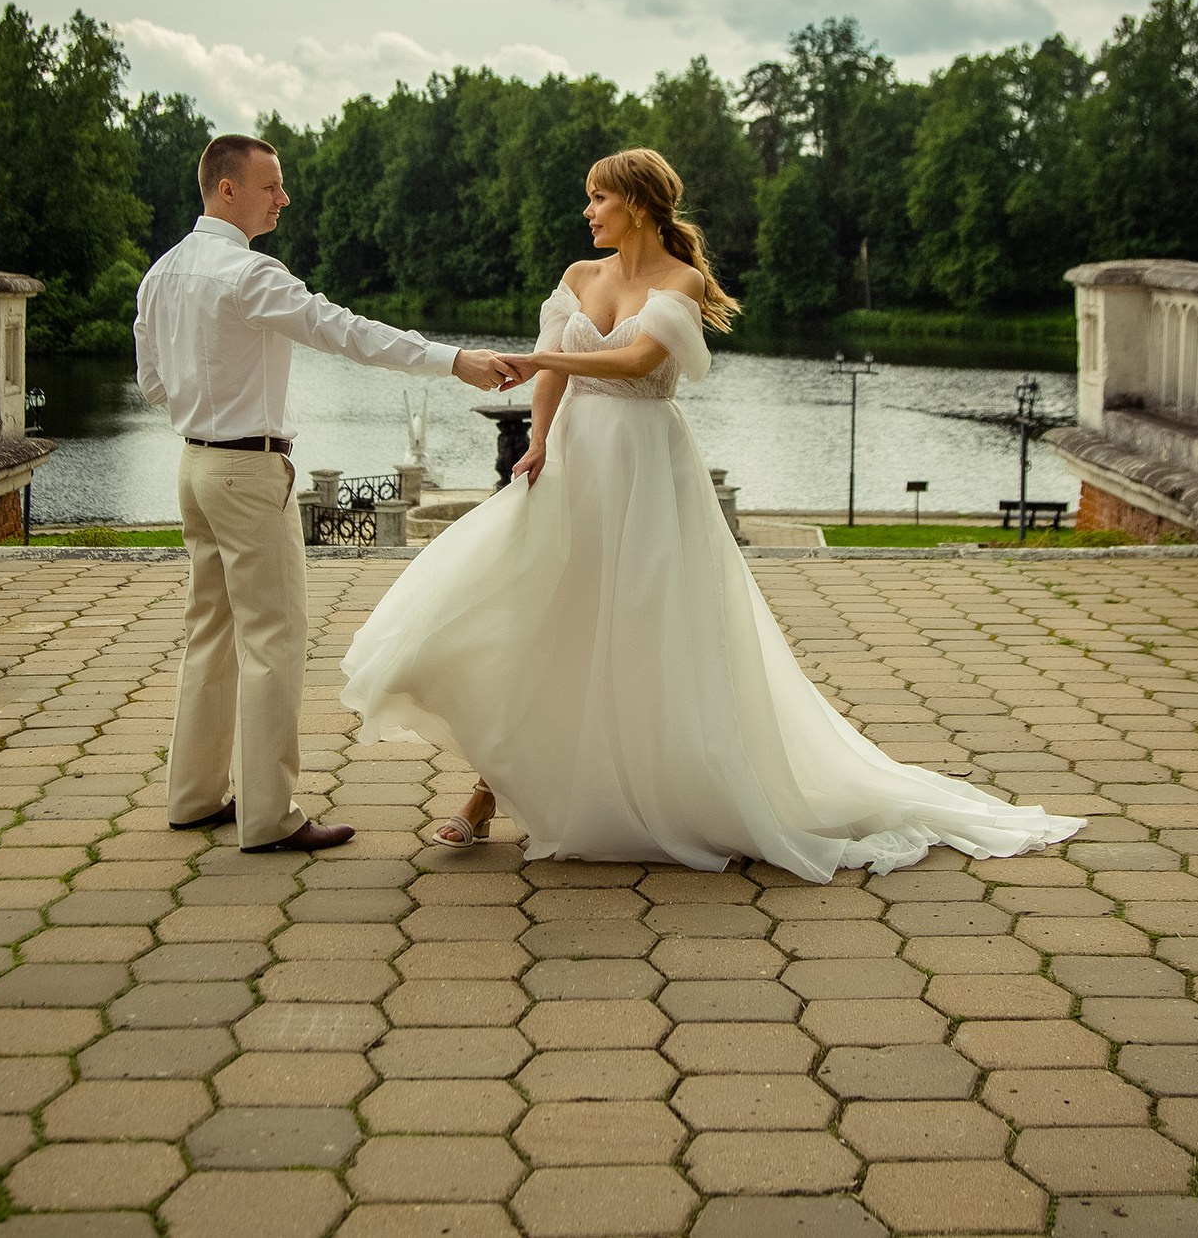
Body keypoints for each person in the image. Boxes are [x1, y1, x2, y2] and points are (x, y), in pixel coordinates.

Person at [340, 148, 1082, 880]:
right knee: (539, 616)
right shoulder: (578, 276)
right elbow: (547, 361)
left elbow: (637, 364)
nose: (587, 211)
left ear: (635, 203)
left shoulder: (682, 280)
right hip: (573, 461)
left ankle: (648, 786)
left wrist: (549, 363)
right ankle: (486, 791)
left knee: (636, 629)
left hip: (646, 470)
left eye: (598, 198)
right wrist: (536, 440)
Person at [137, 134, 513, 853]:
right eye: (271, 185)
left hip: (192, 465)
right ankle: (271, 817)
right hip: (248, 470)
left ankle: (191, 796)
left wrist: (205, 397)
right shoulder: (249, 274)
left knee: (209, 631)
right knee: (273, 640)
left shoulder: (161, 273)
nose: (283, 197)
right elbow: (345, 331)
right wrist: (454, 360)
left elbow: (152, 385)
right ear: (227, 190)